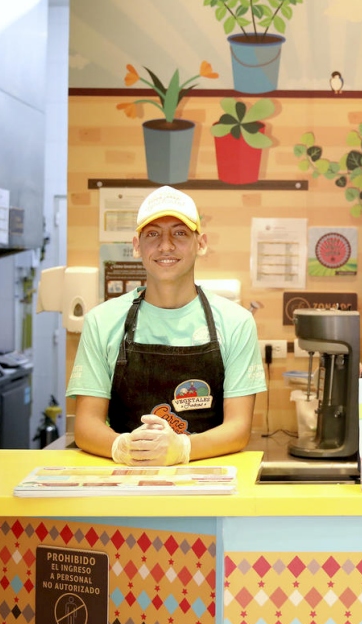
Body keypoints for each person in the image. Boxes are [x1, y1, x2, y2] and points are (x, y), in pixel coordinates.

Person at [67, 185, 267, 466]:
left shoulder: (236, 323)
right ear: (137, 245)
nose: (166, 245)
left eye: (180, 232)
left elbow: (238, 429)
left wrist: (181, 449)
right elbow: (86, 426)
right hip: (124, 485)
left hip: (207, 487)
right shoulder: (102, 321)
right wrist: (125, 447)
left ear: (201, 243)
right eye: (153, 234)